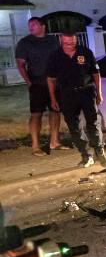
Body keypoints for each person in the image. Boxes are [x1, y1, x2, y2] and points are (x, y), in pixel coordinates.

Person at [46, 31, 106, 168]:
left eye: (72, 42)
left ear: (76, 40)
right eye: (67, 43)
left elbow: (95, 73)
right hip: (67, 94)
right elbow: (51, 79)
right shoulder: (54, 56)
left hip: (87, 91)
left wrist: (99, 93)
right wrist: (53, 98)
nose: (70, 45)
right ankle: (86, 155)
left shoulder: (85, 52)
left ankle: (100, 152)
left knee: (93, 123)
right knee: (74, 126)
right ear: (61, 41)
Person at [15, 17, 66, 156]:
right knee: (36, 114)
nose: (30, 27)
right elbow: (20, 64)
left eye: (34, 24)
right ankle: (35, 146)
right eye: (29, 25)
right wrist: (28, 82)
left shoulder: (53, 41)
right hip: (37, 83)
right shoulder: (25, 42)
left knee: (55, 111)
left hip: (55, 84)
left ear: (43, 26)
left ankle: (54, 142)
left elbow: (61, 59)